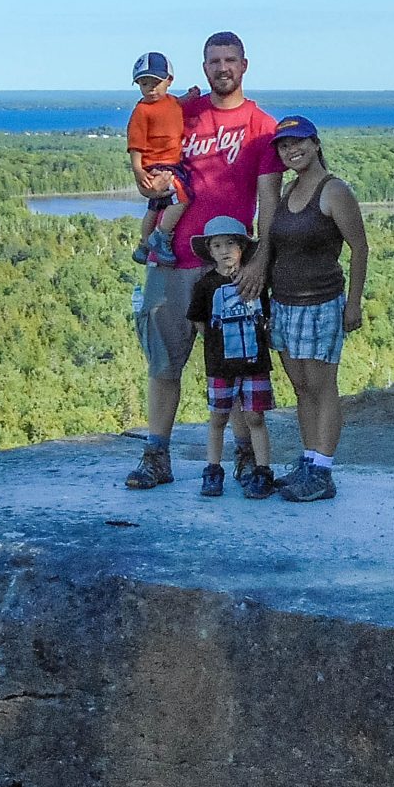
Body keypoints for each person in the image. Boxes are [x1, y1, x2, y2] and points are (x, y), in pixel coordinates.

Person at [125, 31, 284, 491]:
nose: (222, 68)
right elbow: (149, 172)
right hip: (171, 261)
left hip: (229, 267)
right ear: (203, 66)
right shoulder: (181, 112)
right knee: (163, 362)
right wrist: (146, 183)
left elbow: (269, 205)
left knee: (234, 363)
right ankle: (156, 456)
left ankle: (244, 458)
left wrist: (260, 262)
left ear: (245, 65)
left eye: (230, 60)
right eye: (214, 61)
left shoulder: (262, 127)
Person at [264, 115, 369, 502]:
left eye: (299, 142)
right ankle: (309, 460)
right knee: (302, 387)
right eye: (284, 145)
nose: (292, 150)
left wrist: (353, 303)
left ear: (316, 143)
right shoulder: (289, 192)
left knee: (323, 388)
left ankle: (323, 471)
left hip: (322, 303)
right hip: (286, 304)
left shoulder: (333, 190)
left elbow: (360, 247)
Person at [183, 217, 276, 497]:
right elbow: (198, 321)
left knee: (255, 417)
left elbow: (265, 317)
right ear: (210, 251)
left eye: (231, 243)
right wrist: (216, 342)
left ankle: (262, 470)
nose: (225, 250)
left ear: (242, 248)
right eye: (218, 245)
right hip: (221, 366)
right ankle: (213, 470)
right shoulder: (206, 286)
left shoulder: (255, 281)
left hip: (254, 363)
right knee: (218, 418)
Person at [125, 51, 190, 267]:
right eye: (144, 84)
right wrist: (138, 170)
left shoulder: (170, 101)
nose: (150, 88)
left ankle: (143, 245)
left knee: (155, 206)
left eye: (155, 82)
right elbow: (135, 144)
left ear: (169, 81)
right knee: (182, 197)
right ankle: (161, 236)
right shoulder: (142, 111)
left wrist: (191, 97)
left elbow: (175, 106)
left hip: (170, 162)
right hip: (158, 165)